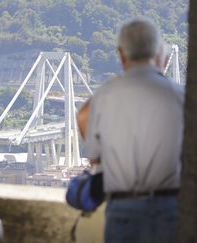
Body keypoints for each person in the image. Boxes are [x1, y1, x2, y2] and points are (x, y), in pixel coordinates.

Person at [80, 18, 183, 243]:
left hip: (123, 211)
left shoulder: (103, 97)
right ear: (159, 55)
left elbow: (93, 157)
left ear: (121, 54)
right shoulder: (182, 97)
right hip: (171, 210)